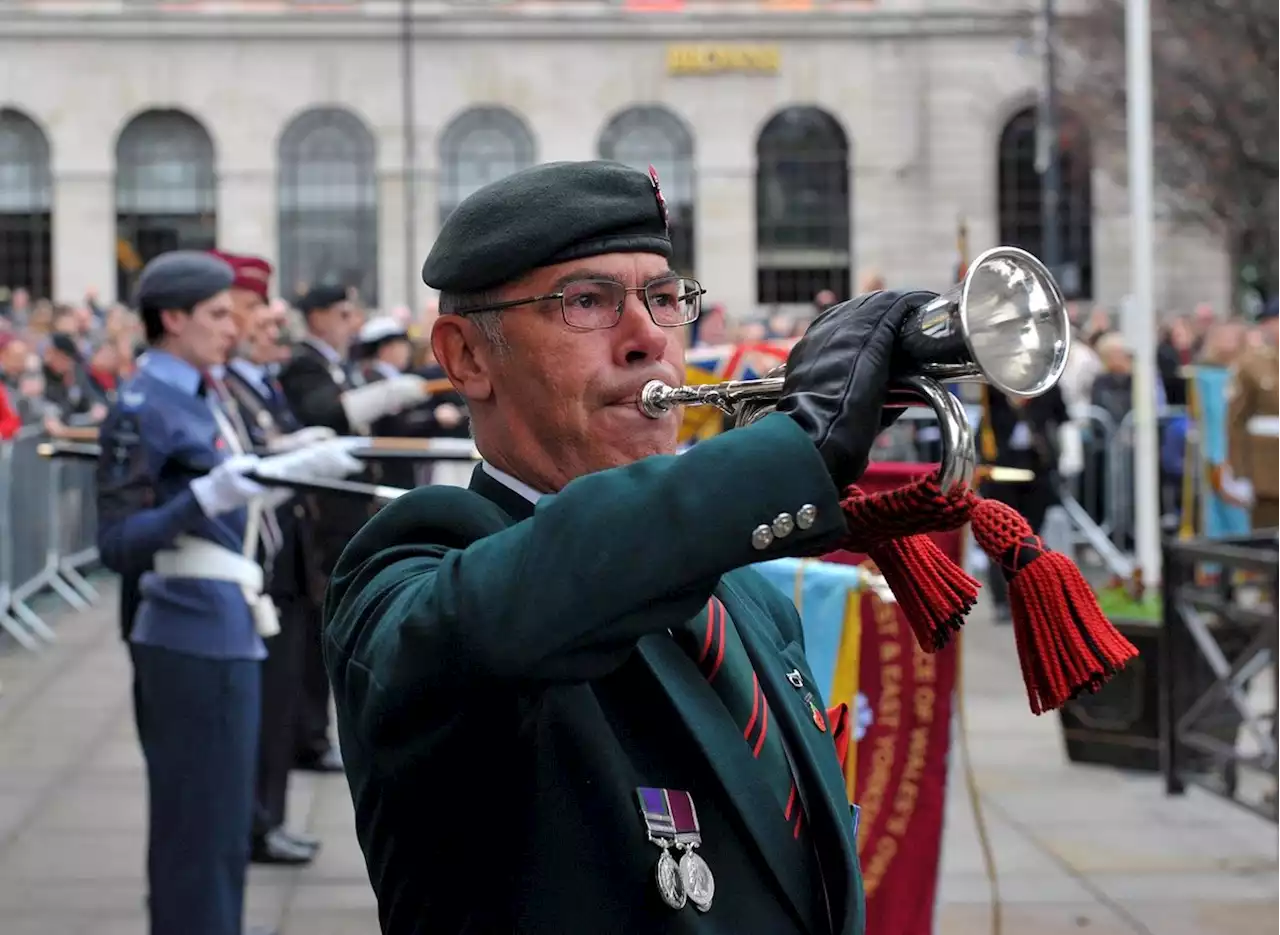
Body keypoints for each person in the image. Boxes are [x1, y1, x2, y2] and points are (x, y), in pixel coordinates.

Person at [323, 160, 935, 935]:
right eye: (587, 301)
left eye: (663, 296)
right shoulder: (422, 559)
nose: (649, 338)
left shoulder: (739, 591)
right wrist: (791, 451)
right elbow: (515, 609)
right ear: (467, 358)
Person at [94, 250, 362, 935]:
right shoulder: (144, 401)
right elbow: (119, 542)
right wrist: (206, 497)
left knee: (219, 834)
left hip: (228, 621)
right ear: (172, 318)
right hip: (187, 627)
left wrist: (282, 465)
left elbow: (236, 482)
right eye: (215, 314)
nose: (230, 325)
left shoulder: (200, 390)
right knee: (197, 833)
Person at [278, 284, 430, 772]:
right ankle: (310, 736)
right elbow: (326, 412)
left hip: (345, 512)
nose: (352, 321)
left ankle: (317, 732)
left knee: (330, 626)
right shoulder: (305, 362)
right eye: (344, 312)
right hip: (322, 517)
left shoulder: (333, 364)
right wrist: (385, 394)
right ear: (318, 317)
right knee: (314, 632)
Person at [214, 252, 328, 866]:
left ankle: (266, 820)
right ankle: (256, 824)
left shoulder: (251, 385)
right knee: (254, 715)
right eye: (252, 313)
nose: (262, 330)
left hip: (281, 564)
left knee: (276, 707)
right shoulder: (222, 387)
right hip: (249, 571)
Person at [1227, 299, 1280, 527]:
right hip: (1268, 474)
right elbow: (1236, 422)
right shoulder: (1253, 365)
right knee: (1267, 545)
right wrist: (1239, 473)